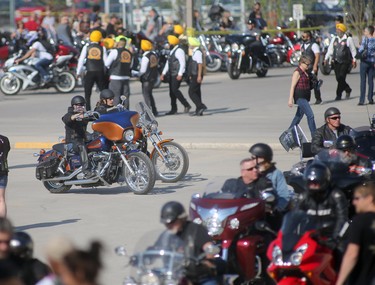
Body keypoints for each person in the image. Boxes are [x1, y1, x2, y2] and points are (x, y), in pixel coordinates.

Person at [159, 201, 222, 285]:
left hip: (200, 277)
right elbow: (155, 248)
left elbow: (209, 247)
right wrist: (144, 257)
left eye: (172, 222)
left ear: (181, 218)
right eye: (166, 223)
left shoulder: (195, 230)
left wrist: (208, 258)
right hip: (176, 276)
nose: (169, 225)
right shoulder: (166, 235)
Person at [296, 162, 348, 245]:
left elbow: (343, 219)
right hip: (308, 239)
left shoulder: (335, 196)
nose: (312, 186)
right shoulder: (303, 197)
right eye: (310, 183)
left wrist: (335, 239)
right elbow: (295, 219)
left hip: (331, 238)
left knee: (342, 252)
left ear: (324, 181)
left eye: (315, 183)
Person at [335, 181, 375, 285]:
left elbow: (352, 254)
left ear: (369, 198)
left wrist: (339, 282)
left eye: (357, 198)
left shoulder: (360, 221)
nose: (354, 202)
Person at [249, 143, 291, 213]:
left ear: (262, 158)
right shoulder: (251, 172)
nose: (252, 160)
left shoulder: (276, 173)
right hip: (252, 209)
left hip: (269, 210)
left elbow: (284, 196)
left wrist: (276, 209)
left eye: (254, 158)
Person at [62, 95, 95, 178]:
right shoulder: (70, 114)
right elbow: (66, 119)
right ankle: (87, 170)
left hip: (82, 139)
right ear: (74, 106)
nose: (81, 107)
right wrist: (75, 116)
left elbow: (95, 117)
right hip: (72, 142)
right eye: (78, 105)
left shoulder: (84, 115)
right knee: (81, 146)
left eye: (82, 105)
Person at [324, 23, 357, 101]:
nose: (337, 31)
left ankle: (338, 95)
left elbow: (353, 50)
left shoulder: (348, 39)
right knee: (338, 78)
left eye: (339, 30)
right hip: (336, 61)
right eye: (337, 30)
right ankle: (348, 89)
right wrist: (326, 58)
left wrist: (354, 60)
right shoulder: (334, 38)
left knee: (341, 77)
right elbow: (330, 49)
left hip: (345, 62)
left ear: (343, 31)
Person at [77, 30, 107, 110]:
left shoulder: (86, 47)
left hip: (89, 71)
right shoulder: (102, 48)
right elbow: (106, 62)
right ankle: (104, 108)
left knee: (87, 93)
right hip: (100, 71)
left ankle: (88, 110)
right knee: (103, 92)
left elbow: (81, 60)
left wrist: (78, 72)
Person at [161, 35, 192, 115]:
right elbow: (168, 63)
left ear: (172, 43)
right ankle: (173, 109)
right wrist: (163, 73)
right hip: (172, 74)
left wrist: (180, 74)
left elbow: (182, 63)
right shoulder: (172, 51)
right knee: (171, 92)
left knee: (175, 90)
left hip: (176, 74)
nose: (168, 44)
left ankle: (186, 105)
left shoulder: (179, 51)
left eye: (169, 43)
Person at [288, 55, 317, 138]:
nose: (308, 66)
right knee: (310, 115)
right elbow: (292, 86)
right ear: (301, 63)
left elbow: (309, 84)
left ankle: (289, 133)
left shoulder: (306, 72)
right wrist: (290, 99)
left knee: (298, 117)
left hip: (306, 96)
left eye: (309, 64)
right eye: (307, 64)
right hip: (300, 97)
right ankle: (315, 136)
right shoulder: (297, 72)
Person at [105, 36, 132, 108]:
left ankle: (116, 113)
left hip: (115, 77)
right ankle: (126, 113)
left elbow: (107, 63)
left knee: (116, 96)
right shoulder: (129, 52)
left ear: (118, 43)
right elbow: (131, 65)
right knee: (125, 97)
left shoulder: (115, 51)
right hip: (126, 77)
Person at [300, 31, 323, 105]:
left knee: (314, 83)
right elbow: (302, 56)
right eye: (302, 36)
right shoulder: (302, 45)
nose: (302, 38)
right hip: (304, 68)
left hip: (312, 67)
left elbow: (317, 56)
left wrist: (315, 66)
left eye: (304, 36)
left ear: (308, 37)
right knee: (305, 84)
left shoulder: (314, 45)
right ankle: (306, 99)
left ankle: (318, 98)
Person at [138, 39, 159, 116]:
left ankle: (149, 112)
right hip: (153, 78)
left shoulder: (145, 57)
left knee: (146, 95)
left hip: (146, 79)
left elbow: (143, 70)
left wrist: (137, 74)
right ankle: (154, 110)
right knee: (150, 94)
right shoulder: (154, 55)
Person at [187, 37, 207, 116]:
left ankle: (201, 106)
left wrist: (199, 75)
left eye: (190, 43)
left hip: (197, 74)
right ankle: (199, 110)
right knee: (197, 92)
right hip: (194, 74)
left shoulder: (198, 52)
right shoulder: (195, 51)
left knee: (191, 92)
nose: (189, 45)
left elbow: (199, 64)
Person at [357, 25, 375, 105]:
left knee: (363, 81)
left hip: (364, 62)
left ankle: (362, 100)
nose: (364, 32)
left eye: (365, 31)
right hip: (372, 62)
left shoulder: (365, 40)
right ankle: (370, 98)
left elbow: (361, 50)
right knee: (371, 81)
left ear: (368, 32)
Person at [0, 135, 10, 218]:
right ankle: (2, 225)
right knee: (1, 199)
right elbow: (7, 152)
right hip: (3, 170)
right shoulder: (5, 139)